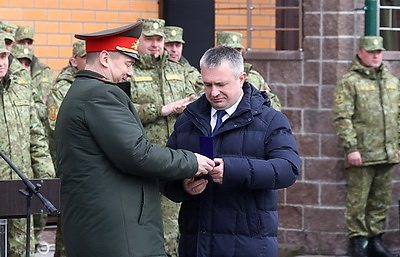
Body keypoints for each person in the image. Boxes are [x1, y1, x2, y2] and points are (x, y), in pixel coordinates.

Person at [54, 21, 215, 257]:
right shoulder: (101, 94)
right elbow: (138, 154)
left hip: (104, 226)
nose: (130, 72)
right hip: (118, 232)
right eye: (128, 63)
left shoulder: (83, 91)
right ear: (106, 58)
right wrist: (192, 161)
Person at [160, 46, 300, 257]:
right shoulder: (188, 120)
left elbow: (288, 169)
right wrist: (183, 186)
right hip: (196, 243)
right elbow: (165, 172)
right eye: (207, 84)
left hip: (248, 245)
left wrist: (233, 170)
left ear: (242, 78)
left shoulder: (271, 120)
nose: (214, 92)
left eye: (221, 84)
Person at [129, 18, 199, 257]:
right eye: (149, 39)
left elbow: (198, 103)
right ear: (139, 41)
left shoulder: (178, 71)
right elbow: (120, 112)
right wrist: (162, 109)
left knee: (174, 231)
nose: (155, 44)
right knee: (139, 231)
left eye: (159, 39)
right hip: (141, 165)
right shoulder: (129, 71)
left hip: (175, 163)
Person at [332, 36, 399, 257]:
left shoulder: (391, 81)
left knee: (381, 201)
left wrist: (396, 145)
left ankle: (375, 242)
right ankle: (357, 244)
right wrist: (351, 147)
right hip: (362, 154)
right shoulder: (349, 81)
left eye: (379, 51)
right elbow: (343, 118)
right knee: (358, 203)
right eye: (371, 52)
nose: (376, 55)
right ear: (360, 52)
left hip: (387, 153)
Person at [0, 33, 55, 257]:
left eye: (4, 55)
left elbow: (36, 134)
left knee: (22, 250)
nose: (1, 62)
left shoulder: (20, 85)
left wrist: (46, 175)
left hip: (20, 189)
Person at [47, 39, 86, 257]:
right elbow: (57, 127)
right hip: (68, 166)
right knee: (66, 229)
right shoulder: (61, 89)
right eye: (84, 58)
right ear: (73, 61)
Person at [216, 30, 281, 111]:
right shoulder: (209, 79)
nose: (234, 55)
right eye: (230, 51)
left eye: (238, 50)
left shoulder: (254, 77)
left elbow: (275, 108)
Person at [15, 25, 55, 122]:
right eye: (21, 42)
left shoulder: (45, 71)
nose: (26, 46)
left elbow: (52, 105)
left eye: (29, 43)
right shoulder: (8, 73)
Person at [164, 25, 203, 94]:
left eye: (177, 45)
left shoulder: (190, 72)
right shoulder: (155, 71)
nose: (174, 50)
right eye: (169, 45)